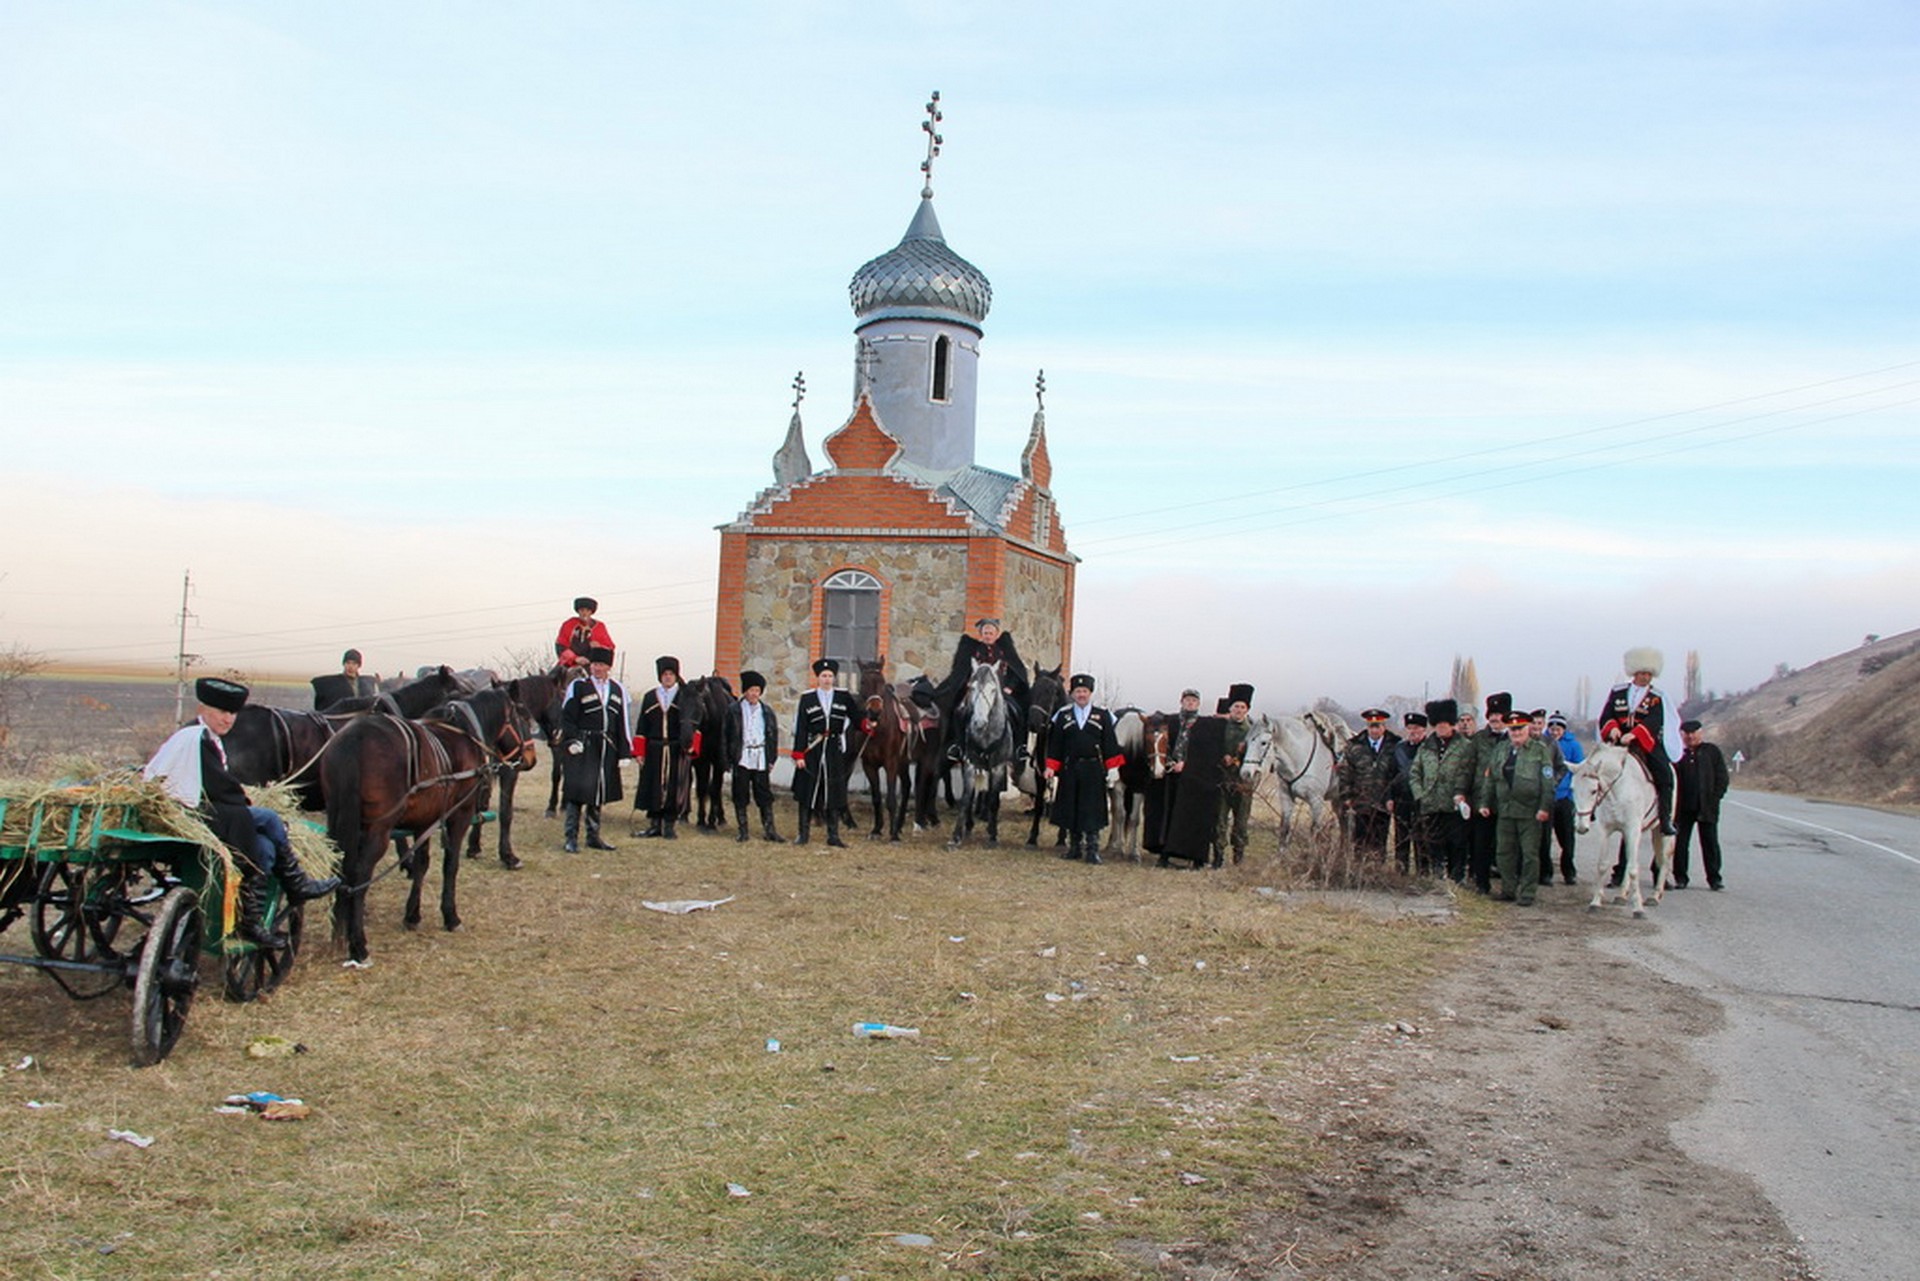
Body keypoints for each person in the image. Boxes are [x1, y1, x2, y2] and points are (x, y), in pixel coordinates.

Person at [144, 677, 339, 947]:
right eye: (222, 712)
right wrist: (241, 795)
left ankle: (250, 918)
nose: (229, 719)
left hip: (199, 810)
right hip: (197, 814)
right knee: (269, 818)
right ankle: (297, 884)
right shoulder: (198, 739)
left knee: (265, 846)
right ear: (203, 710)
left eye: (233, 713)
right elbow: (217, 784)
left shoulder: (199, 737)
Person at [1595, 646, 1682, 836]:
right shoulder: (1618, 692)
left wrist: (1634, 734)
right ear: (1634, 672)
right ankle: (1592, 809)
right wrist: (1613, 729)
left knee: (1666, 776)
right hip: (1617, 742)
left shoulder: (1657, 697)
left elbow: (1655, 720)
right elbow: (1607, 714)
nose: (1646, 677)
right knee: (1594, 769)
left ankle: (1665, 818)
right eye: (1643, 673)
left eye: (1649, 674)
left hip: (1644, 743)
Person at [1475, 709, 1557, 906]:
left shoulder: (1540, 750)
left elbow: (1547, 782)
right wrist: (1485, 802)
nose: (1516, 734)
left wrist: (1544, 808)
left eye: (1520, 729)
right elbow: (1491, 778)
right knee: (1504, 852)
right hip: (1505, 809)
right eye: (1512, 730)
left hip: (1530, 811)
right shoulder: (1501, 749)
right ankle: (1508, 889)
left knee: (1529, 853)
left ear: (1528, 728)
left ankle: (1528, 892)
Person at [1043, 673, 1124, 864]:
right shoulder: (1063, 716)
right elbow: (1056, 744)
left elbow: (1110, 743)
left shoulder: (1103, 715)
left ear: (1090, 693)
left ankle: (1092, 849)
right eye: (1078, 691)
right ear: (1072, 693)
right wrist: (1051, 767)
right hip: (1070, 768)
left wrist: (1113, 767)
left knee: (1092, 808)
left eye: (1085, 691)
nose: (1081, 695)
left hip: (1093, 769)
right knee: (1071, 807)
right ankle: (1074, 848)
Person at [558, 647, 630, 853]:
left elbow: (622, 723)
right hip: (583, 745)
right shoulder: (578, 686)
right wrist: (571, 740)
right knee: (576, 792)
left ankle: (593, 836)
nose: (597, 668)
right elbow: (568, 717)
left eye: (601, 665)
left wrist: (624, 752)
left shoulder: (618, 690)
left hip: (606, 747)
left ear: (609, 667)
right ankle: (570, 837)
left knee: (598, 791)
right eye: (594, 664)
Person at [935, 618, 1031, 767]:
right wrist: (967, 683)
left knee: (1017, 712)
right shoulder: (973, 651)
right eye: (985, 632)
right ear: (981, 634)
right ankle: (958, 746)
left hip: (1000, 692)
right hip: (976, 691)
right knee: (959, 712)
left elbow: (1016, 672)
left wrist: (1010, 687)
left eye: (991, 632)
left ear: (996, 634)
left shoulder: (1004, 651)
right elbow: (962, 670)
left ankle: (1020, 747)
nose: (988, 635)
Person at [791, 658, 860, 847]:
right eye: (824, 676)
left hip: (833, 749)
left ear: (834, 678)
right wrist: (799, 754)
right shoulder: (808, 698)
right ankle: (803, 834)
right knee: (807, 791)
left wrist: (868, 723)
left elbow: (857, 718)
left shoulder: (843, 697)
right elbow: (802, 728)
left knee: (834, 793)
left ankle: (833, 836)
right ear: (817, 678)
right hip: (813, 748)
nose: (827, 679)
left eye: (830, 676)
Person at [1409, 699, 1472, 882]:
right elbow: (1415, 773)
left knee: (1457, 843)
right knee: (1433, 842)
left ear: (1451, 724)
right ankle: (1438, 876)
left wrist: (1463, 797)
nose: (1441, 728)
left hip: (1454, 804)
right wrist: (1420, 794)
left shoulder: (1465, 746)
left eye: (1444, 724)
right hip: (1431, 803)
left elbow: (1469, 774)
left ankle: (1457, 877)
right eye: (1437, 725)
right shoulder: (1426, 747)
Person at [633, 656, 695, 839]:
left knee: (674, 786)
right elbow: (641, 726)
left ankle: (669, 825)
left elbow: (694, 723)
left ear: (676, 676)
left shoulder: (685, 696)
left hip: (676, 748)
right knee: (653, 786)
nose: (668, 677)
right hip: (655, 748)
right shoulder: (650, 697)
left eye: (671, 674)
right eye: (664, 674)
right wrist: (639, 751)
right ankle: (654, 824)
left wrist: (691, 745)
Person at [723, 670, 782, 843]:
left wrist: (772, 758)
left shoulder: (767, 711)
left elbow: (773, 735)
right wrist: (728, 758)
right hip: (742, 756)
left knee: (764, 794)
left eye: (757, 690)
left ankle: (770, 830)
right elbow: (725, 736)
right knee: (740, 793)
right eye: (750, 690)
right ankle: (743, 831)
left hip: (761, 756)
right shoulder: (734, 710)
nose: (753, 694)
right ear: (745, 691)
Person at [1672, 719, 1731, 890]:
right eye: (1687, 734)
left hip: (1707, 806)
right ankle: (1680, 878)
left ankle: (1714, 879)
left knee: (1710, 843)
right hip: (1683, 808)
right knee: (1681, 844)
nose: (1690, 737)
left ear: (1700, 733)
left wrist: (1715, 798)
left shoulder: (1711, 751)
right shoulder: (1678, 754)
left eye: (1694, 733)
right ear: (1682, 735)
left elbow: (1722, 777)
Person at [1463, 693, 1511, 894]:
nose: (1495, 720)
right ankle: (1481, 883)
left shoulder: (1515, 740)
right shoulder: (1478, 740)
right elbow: (1467, 769)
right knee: (1480, 845)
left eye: (1499, 716)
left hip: (1507, 802)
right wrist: (1462, 793)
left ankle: (1510, 885)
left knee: (1507, 846)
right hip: (1482, 800)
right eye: (1491, 716)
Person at [1341, 708, 1399, 855]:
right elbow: (1346, 773)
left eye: (1377, 726)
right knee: (1360, 843)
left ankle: (1377, 873)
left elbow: (1397, 774)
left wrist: (1394, 797)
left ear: (1384, 727)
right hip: (1360, 802)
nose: (1374, 730)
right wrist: (1347, 797)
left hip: (1383, 802)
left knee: (1379, 843)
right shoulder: (1354, 746)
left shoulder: (1395, 745)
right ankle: (1360, 873)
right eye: (1371, 726)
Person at [1215, 684, 1258, 866]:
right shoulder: (1220, 728)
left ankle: (1238, 856)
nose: (1239, 710)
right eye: (1236, 707)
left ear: (1247, 710)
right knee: (1219, 820)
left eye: (1243, 707)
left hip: (1243, 784)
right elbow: (1212, 747)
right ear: (1230, 709)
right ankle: (1218, 856)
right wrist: (1221, 755)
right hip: (1222, 780)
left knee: (1241, 823)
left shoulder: (1254, 730)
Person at [1543, 712, 1584, 885]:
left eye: (1558, 728)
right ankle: (1545, 872)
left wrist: (1573, 795)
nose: (1555, 731)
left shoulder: (1573, 746)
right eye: (1552, 728)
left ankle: (1569, 870)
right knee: (1544, 839)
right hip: (1546, 797)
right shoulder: (1543, 743)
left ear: (1563, 730)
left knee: (1567, 838)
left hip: (1564, 796)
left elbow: (1580, 770)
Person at [1387, 711, 1428, 872]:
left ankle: (1423, 872)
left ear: (1424, 730)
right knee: (1401, 838)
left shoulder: (1429, 749)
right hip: (1401, 799)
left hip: (1421, 800)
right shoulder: (1399, 749)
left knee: (1422, 838)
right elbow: (1391, 775)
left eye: (1416, 728)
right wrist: (1390, 797)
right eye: (1410, 728)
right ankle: (1401, 871)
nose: (1413, 731)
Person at [555, 597, 615, 672]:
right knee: (552, 678)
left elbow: (609, 648)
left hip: (592, 666)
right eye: (582, 610)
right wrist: (575, 658)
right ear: (578, 611)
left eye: (587, 610)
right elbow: (561, 646)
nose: (584, 613)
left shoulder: (599, 627)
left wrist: (599, 648)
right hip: (570, 664)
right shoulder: (568, 624)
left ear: (591, 612)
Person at [311, 648, 376, 710]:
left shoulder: (364, 683)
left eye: (354, 663)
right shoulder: (335, 683)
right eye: (348, 663)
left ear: (358, 666)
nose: (350, 666)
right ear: (344, 664)